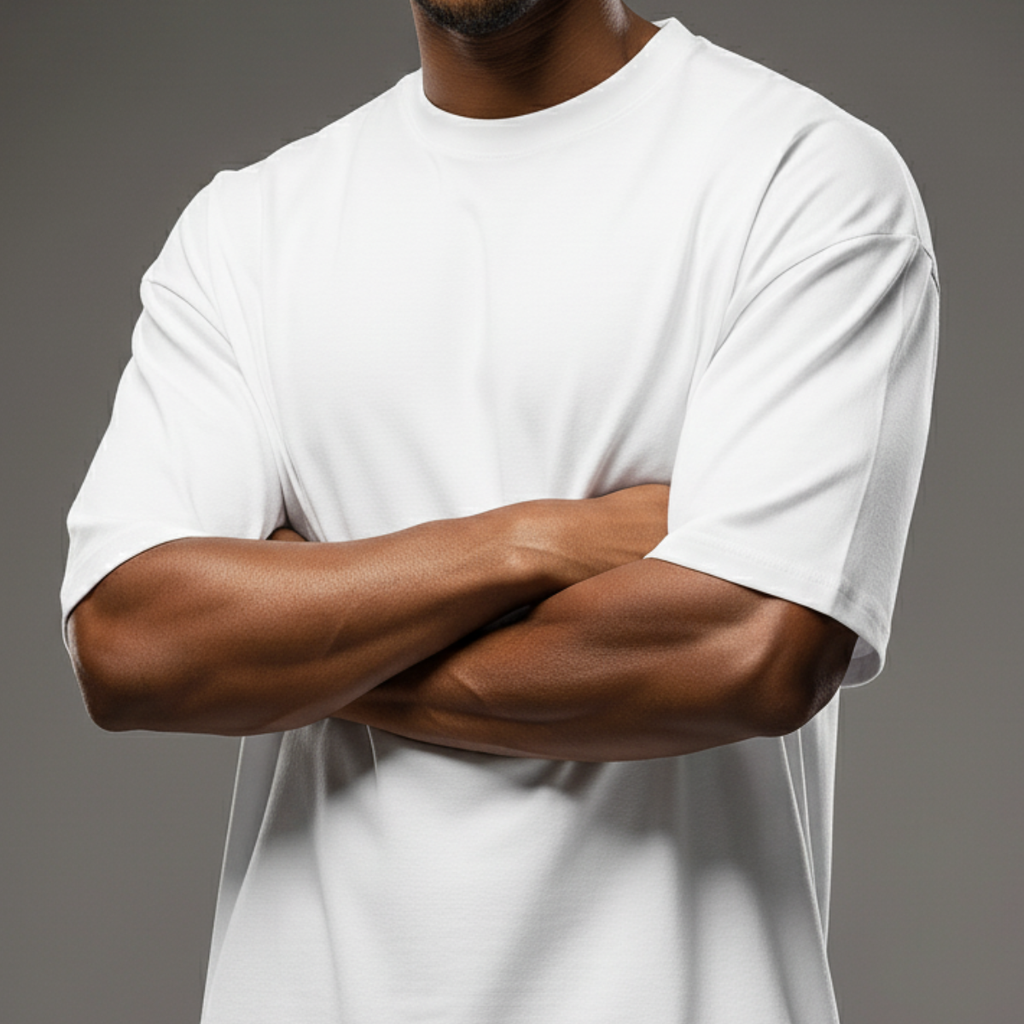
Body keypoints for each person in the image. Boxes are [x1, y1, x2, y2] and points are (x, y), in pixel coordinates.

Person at [59, 0, 939, 1020]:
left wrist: (301, 647)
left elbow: (752, 649)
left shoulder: (802, 178)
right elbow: (129, 642)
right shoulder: (247, 232)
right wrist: (534, 544)